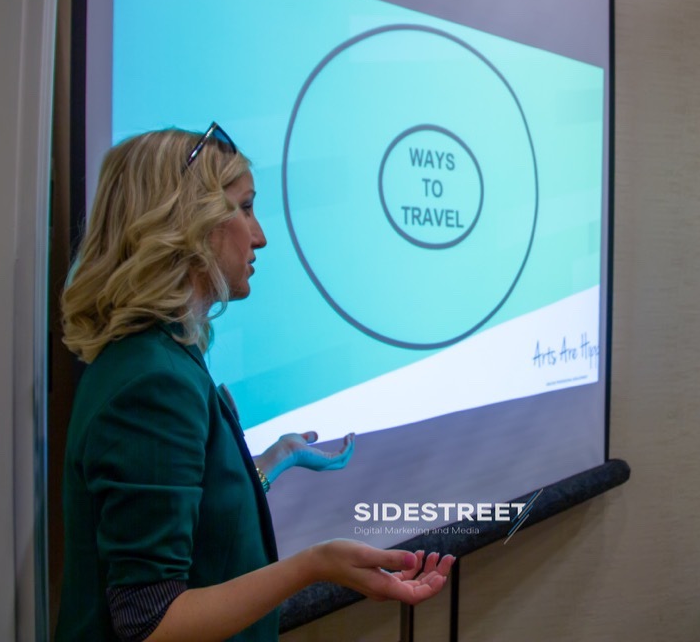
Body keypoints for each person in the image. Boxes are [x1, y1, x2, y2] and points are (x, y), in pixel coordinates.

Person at [56, 124, 454, 642]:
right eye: (244, 208)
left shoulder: (157, 357)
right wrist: (314, 565)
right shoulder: (153, 382)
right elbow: (151, 622)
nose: (259, 235)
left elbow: (196, 514)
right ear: (187, 221)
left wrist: (266, 464)